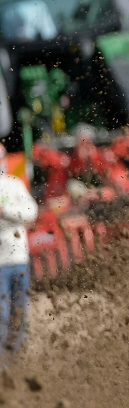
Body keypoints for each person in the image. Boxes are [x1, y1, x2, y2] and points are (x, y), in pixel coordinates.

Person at [0, 144, 38, 362]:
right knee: (2, 314)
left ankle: (17, 359)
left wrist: (6, 212)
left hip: (19, 259)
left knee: (20, 311)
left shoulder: (14, 184)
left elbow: (31, 211)